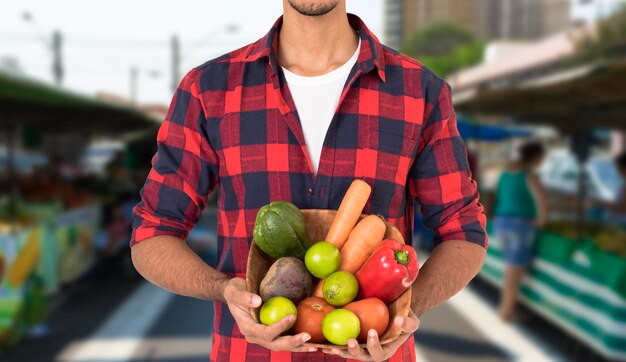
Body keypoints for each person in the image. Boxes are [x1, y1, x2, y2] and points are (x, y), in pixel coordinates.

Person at [130, 1, 487, 361]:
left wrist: (405, 312)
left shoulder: (419, 91)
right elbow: (152, 235)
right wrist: (224, 290)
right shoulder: (208, 89)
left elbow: (464, 232)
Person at [493, 141, 548, 321]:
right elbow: (542, 201)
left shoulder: (505, 174)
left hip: (501, 223)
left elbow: (497, 196)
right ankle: (506, 311)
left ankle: (507, 308)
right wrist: (541, 221)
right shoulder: (530, 176)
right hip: (519, 226)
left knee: (510, 268)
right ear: (536, 157)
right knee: (514, 272)